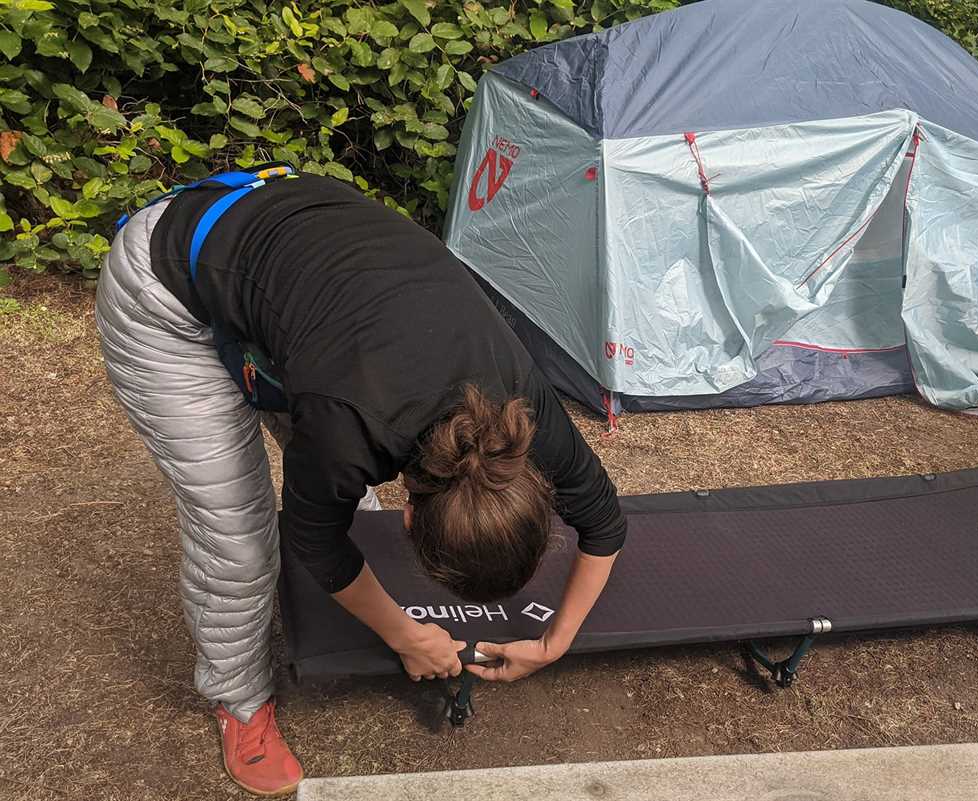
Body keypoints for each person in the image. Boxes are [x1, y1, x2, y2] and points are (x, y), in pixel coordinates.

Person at [96, 169, 626, 796]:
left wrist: (554, 642)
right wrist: (409, 636)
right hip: (168, 284)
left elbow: (604, 522)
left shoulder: (525, 411)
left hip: (308, 286)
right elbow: (314, 541)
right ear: (409, 515)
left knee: (340, 487)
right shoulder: (348, 425)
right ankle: (238, 703)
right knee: (238, 542)